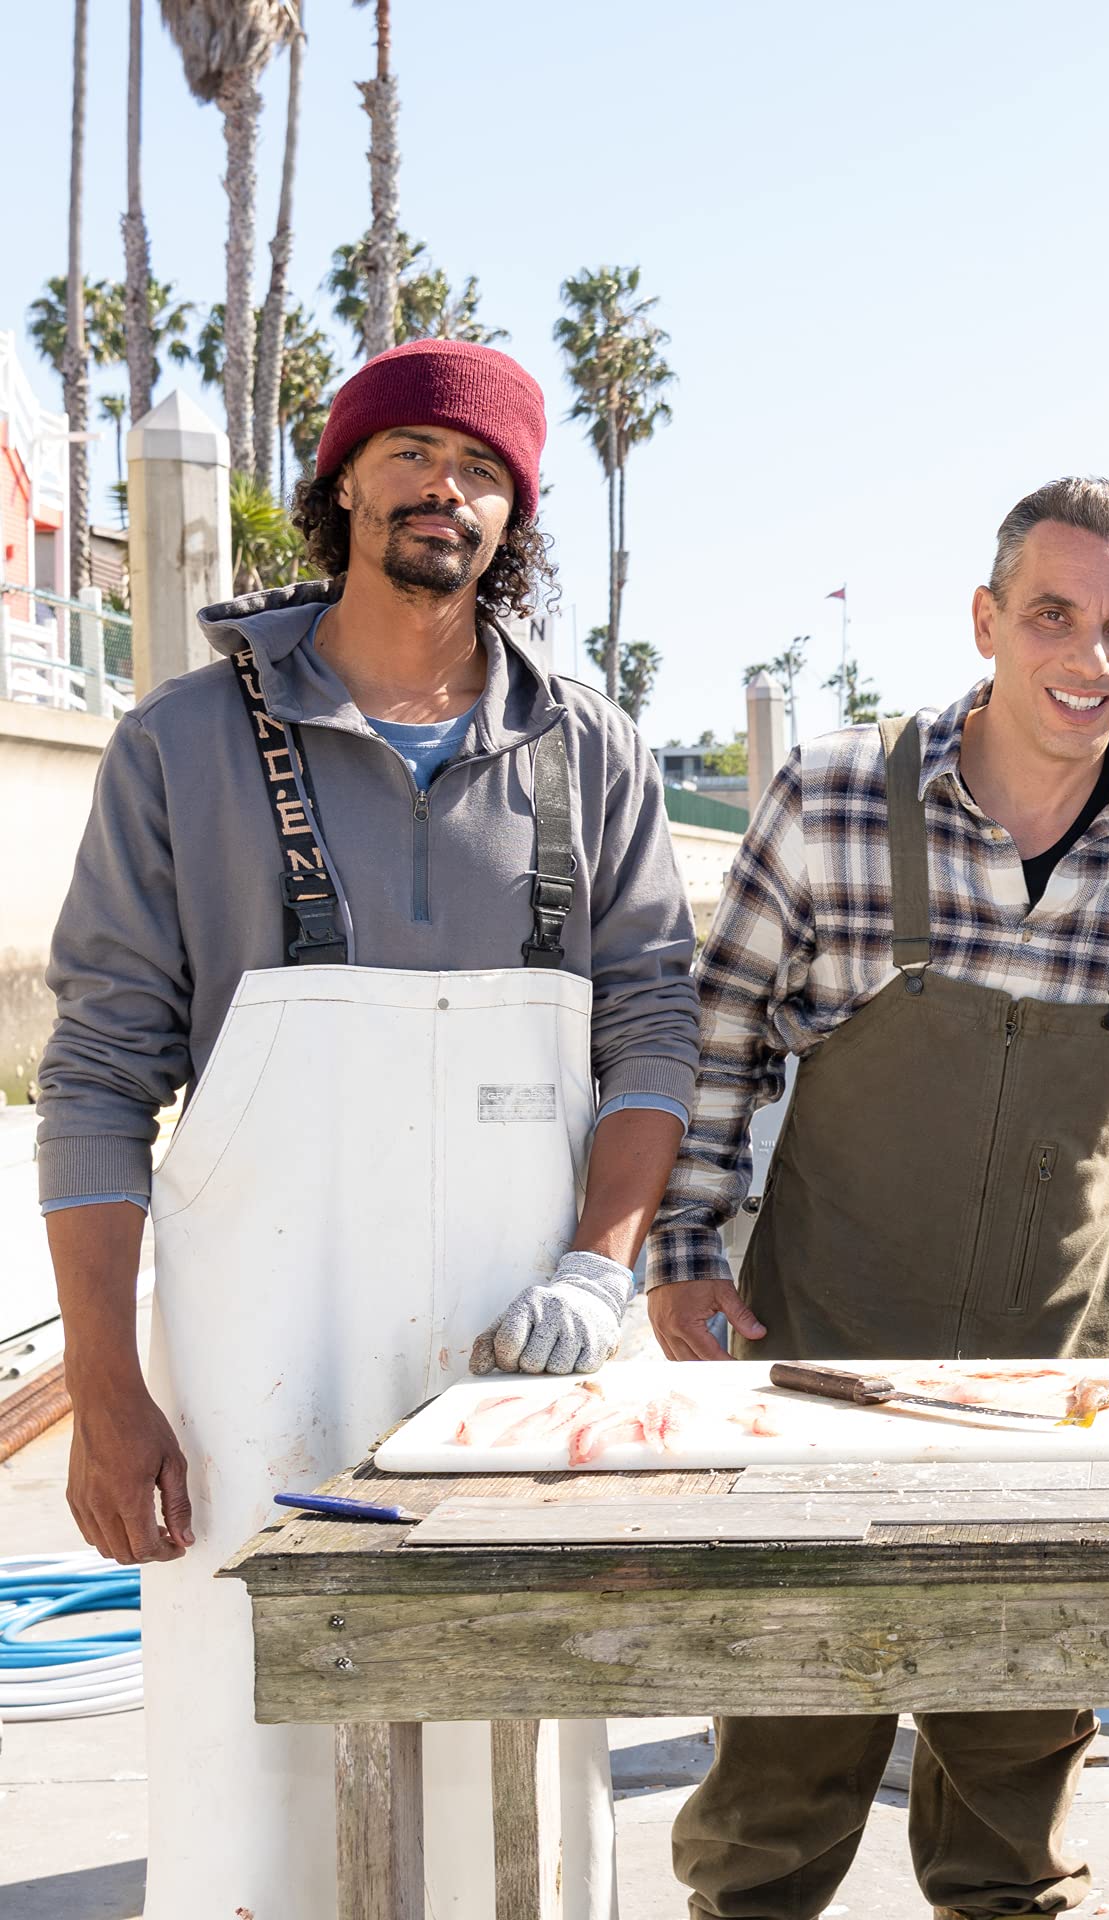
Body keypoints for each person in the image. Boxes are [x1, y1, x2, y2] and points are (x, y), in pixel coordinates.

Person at [37, 338, 700, 1918]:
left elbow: (652, 1030)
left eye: (481, 468)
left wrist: (602, 1270)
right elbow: (98, 1078)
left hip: (521, 1352)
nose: (443, 489)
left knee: (517, 1759)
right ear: (340, 482)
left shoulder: (591, 752)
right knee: (255, 1764)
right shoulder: (178, 750)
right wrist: (109, 1393)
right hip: (259, 1376)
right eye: (409, 452)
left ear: (513, 513)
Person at [650, 475, 1109, 1919]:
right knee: (782, 1758)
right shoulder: (835, 794)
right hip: (817, 1365)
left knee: (1018, 1760)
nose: (1087, 656)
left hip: (1061, 1391)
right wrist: (684, 1246)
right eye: (1052, 615)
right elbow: (721, 1028)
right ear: (987, 621)